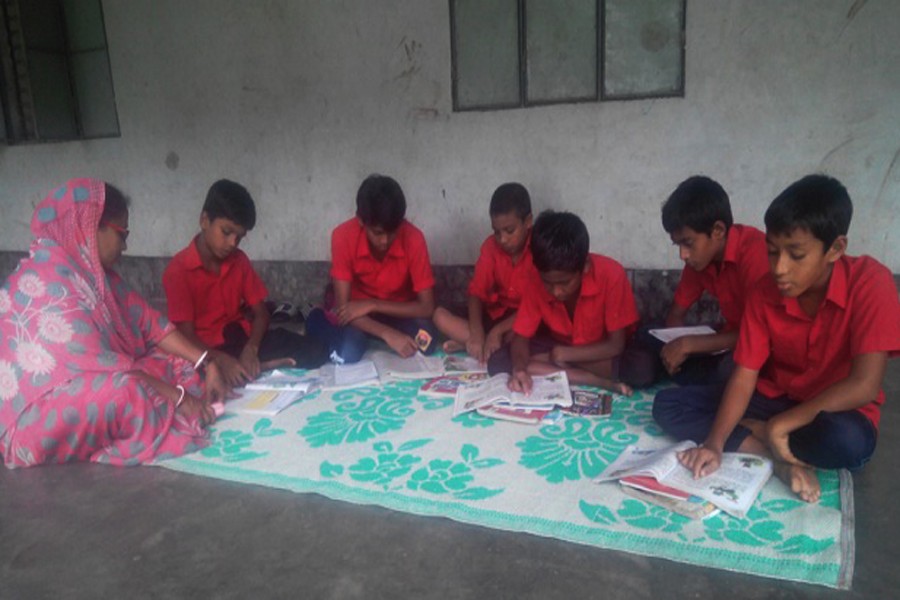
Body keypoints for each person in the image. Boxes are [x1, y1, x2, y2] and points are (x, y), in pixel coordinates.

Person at [654, 175, 900, 503]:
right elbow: (745, 375)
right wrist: (713, 444)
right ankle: (779, 457)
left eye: (796, 255)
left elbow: (864, 385)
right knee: (668, 405)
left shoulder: (871, 282)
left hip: (834, 409)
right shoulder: (764, 292)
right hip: (776, 398)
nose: (780, 269)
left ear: (835, 249)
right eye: (772, 252)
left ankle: (762, 431)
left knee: (846, 443)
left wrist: (780, 424)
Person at [0, 179, 228, 468]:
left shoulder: (94, 276)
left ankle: (165, 408)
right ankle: (167, 414)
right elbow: (104, 367)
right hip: (34, 413)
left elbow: (150, 324)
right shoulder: (51, 281)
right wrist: (180, 398)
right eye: (122, 234)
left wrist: (208, 363)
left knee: (173, 361)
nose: (125, 245)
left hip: (93, 379)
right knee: (127, 392)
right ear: (93, 225)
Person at [163, 179, 328, 387]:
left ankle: (255, 365)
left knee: (317, 350)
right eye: (226, 232)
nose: (232, 243)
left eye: (239, 237)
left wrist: (251, 349)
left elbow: (261, 313)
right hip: (206, 349)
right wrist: (220, 361)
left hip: (241, 339)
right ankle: (261, 366)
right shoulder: (178, 270)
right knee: (197, 380)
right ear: (204, 220)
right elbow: (185, 337)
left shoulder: (238, 260)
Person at [619, 175, 769, 388]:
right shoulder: (699, 261)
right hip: (723, 337)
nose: (683, 255)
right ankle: (690, 379)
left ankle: (702, 386)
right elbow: (676, 314)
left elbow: (762, 334)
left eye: (688, 243)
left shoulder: (756, 254)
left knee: (729, 372)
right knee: (644, 344)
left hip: (752, 346)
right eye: (677, 245)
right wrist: (674, 348)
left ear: (718, 231)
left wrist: (690, 344)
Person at [498, 210, 638, 394]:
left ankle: (552, 365)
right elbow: (521, 337)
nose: (557, 291)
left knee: (641, 369)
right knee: (499, 362)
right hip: (561, 346)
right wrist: (519, 370)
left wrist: (563, 355)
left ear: (585, 265)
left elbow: (615, 345)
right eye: (548, 283)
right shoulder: (535, 278)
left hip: (601, 351)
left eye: (565, 282)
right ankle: (590, 379)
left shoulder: (612, 275)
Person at [306, 174, 438, 364]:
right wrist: (388, 334)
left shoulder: (414, 238)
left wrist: (374, 304)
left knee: (428, 341)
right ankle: (316, 316)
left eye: (392, 232)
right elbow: (345, 311)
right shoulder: (342, 236)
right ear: (361, 221)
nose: (384, 241)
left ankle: (372, 336)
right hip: (357, 316)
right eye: (377, 233)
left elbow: (427, 307)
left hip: (396, 313)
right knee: (349, 351)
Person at [433, 182, 533, 363]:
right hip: (495, 314)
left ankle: (473, 345)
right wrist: (477, 333)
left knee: (520, 336)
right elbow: (476, 294)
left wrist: (497, 331)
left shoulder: (539, 250)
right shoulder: (490, 247)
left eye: (510, 231)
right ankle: (480, 344)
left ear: (528, 222)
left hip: (522, 319)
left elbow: (536, 306)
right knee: (440, 316)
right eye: (496, 232)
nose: (502, 239)